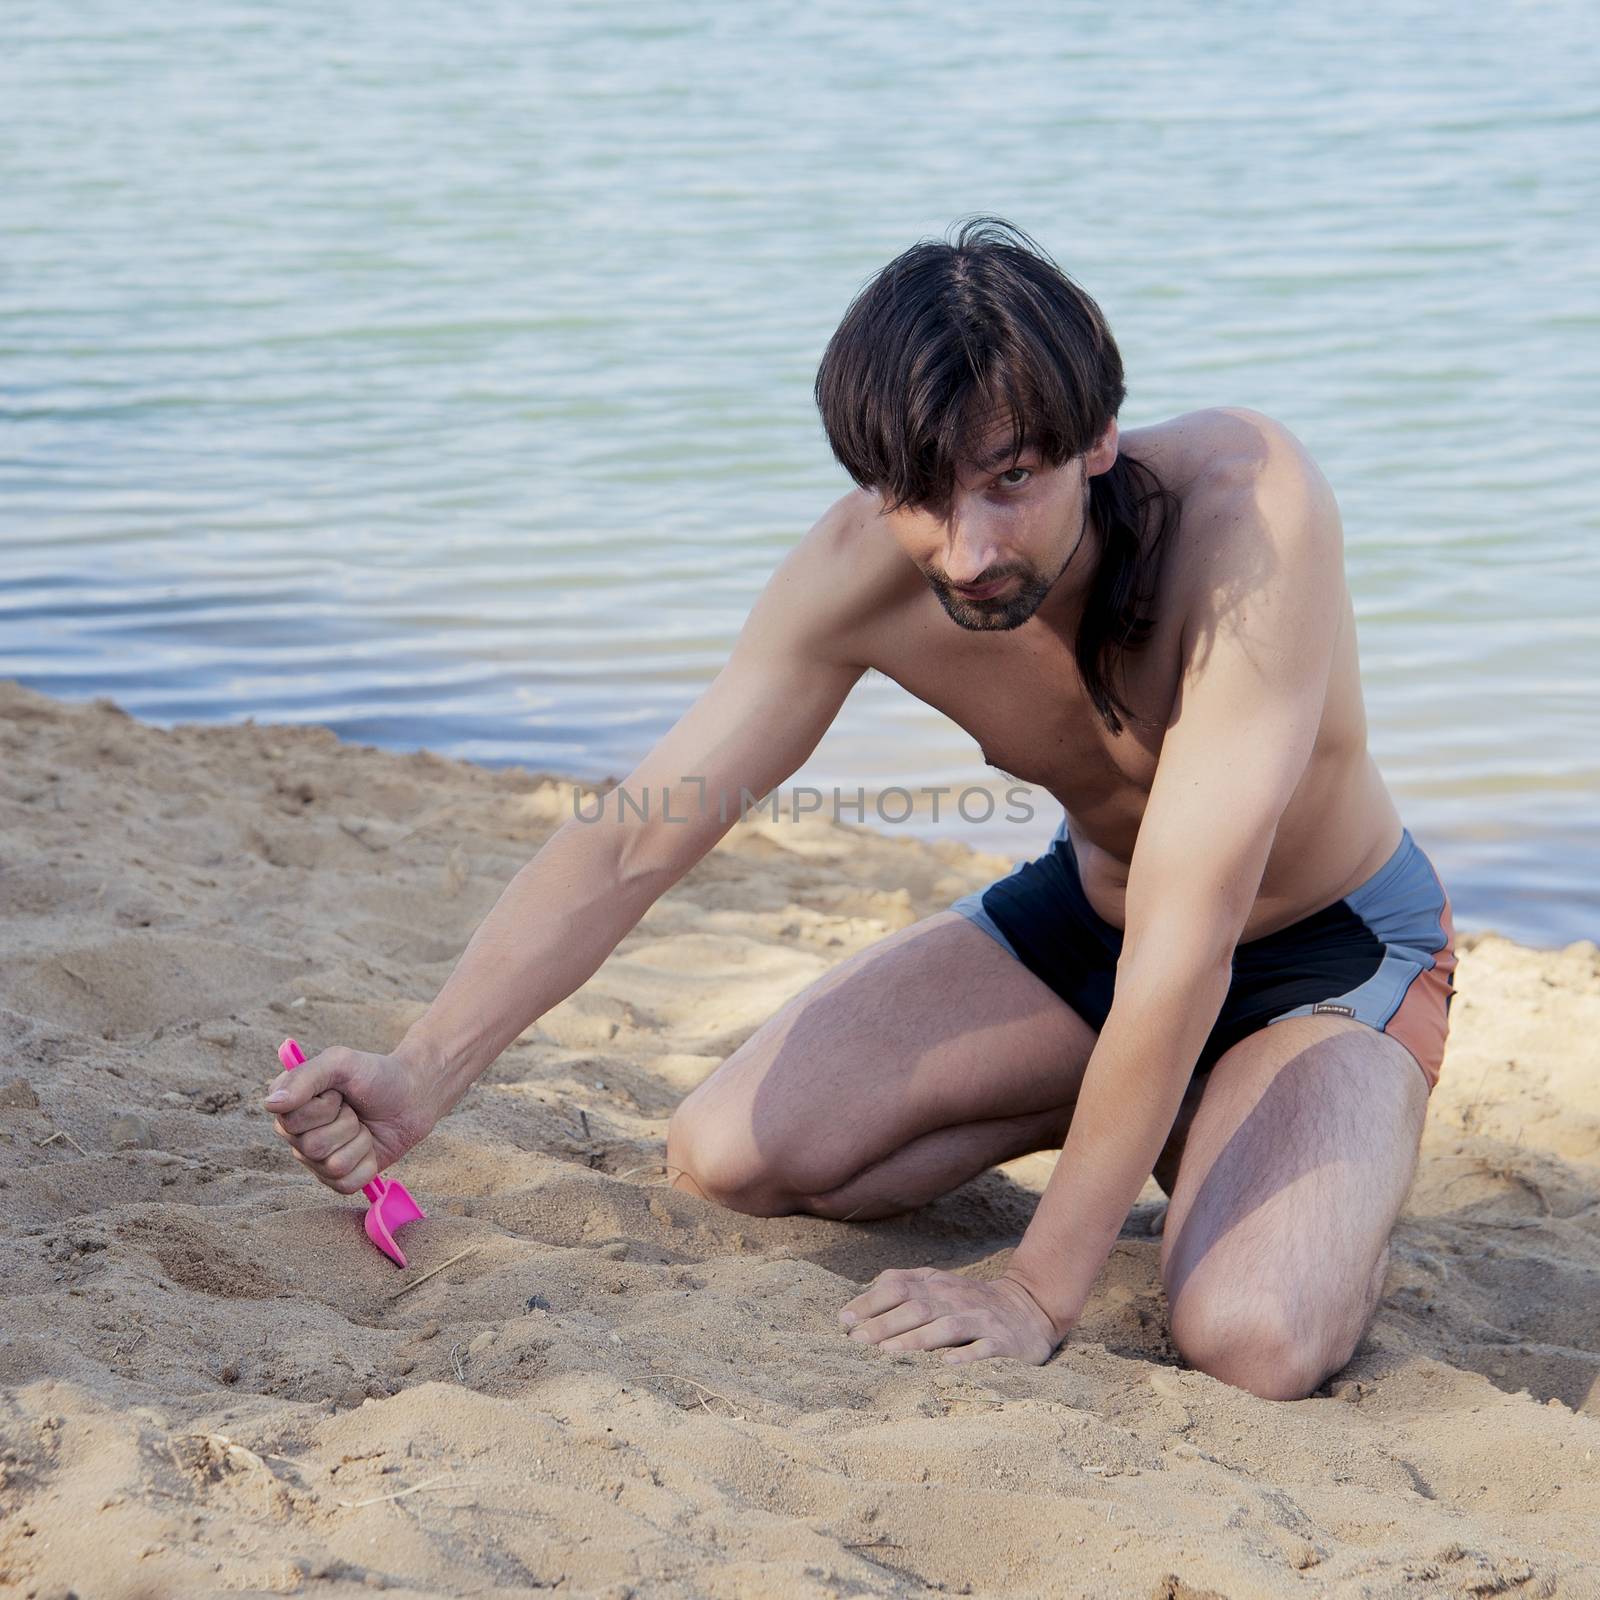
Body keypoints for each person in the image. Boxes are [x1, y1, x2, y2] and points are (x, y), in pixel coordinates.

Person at [262, 216, 1456, 1399]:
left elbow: (1192, 930)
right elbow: (641, 825)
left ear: (1093, 438)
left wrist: (1037, 1290)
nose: (968, 549)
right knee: (727, 1154)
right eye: (919, 497)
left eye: (1010, 482)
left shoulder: (1247, 513)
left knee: (1253, 1334)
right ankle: (1176, 1120)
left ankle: (1296, 1156)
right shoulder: (858, 578)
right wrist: (422, 1071)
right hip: (1096, 927)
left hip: (1321, 950)